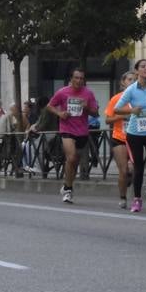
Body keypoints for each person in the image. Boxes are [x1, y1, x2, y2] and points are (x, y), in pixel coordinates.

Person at [116, 58, 146, 213]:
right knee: (139, 167)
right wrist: (131, 110)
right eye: (143, 66)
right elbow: (117, 109)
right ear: (137, 71)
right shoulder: (130, 90)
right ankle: (137, 200)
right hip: (134, 133)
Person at [46, 68, 99, 204]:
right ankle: (69, 190)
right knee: (71, 156)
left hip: (82, 131)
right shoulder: (62, 92)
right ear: (71, 79)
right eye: (76, 78)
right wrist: (60, 114)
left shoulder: (88, 93)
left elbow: (95, 113)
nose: (79, 81)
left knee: (74, 162)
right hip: (66, 129)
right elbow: (50, 106)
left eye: (82, 78)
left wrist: (87, 108)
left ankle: (66, 184)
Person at [103, 71, 136, 210]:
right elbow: (107, 119)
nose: (132, 82)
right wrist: (121, 116)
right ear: (123, 82)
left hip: (136, 138)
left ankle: (127, 181)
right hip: (119, 138)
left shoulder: (140, 98)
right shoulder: (116, 99)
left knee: (133, 170)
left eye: (135, 80)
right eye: (129, 79)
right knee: (123, 170)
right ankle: (123, 197)